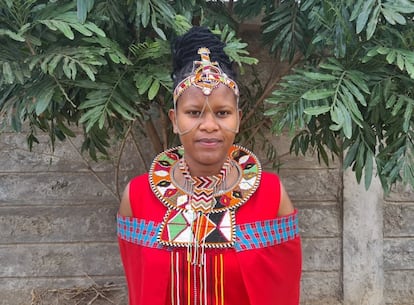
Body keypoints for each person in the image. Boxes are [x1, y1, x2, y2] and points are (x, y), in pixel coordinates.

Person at [117, 26, 302, 305]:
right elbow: (139, 288)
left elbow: (282, 290)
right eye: (193, 113)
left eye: (222, 113)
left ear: (237, 119)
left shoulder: (272, 196)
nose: (209, 125)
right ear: (174, 119)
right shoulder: (138, 196)